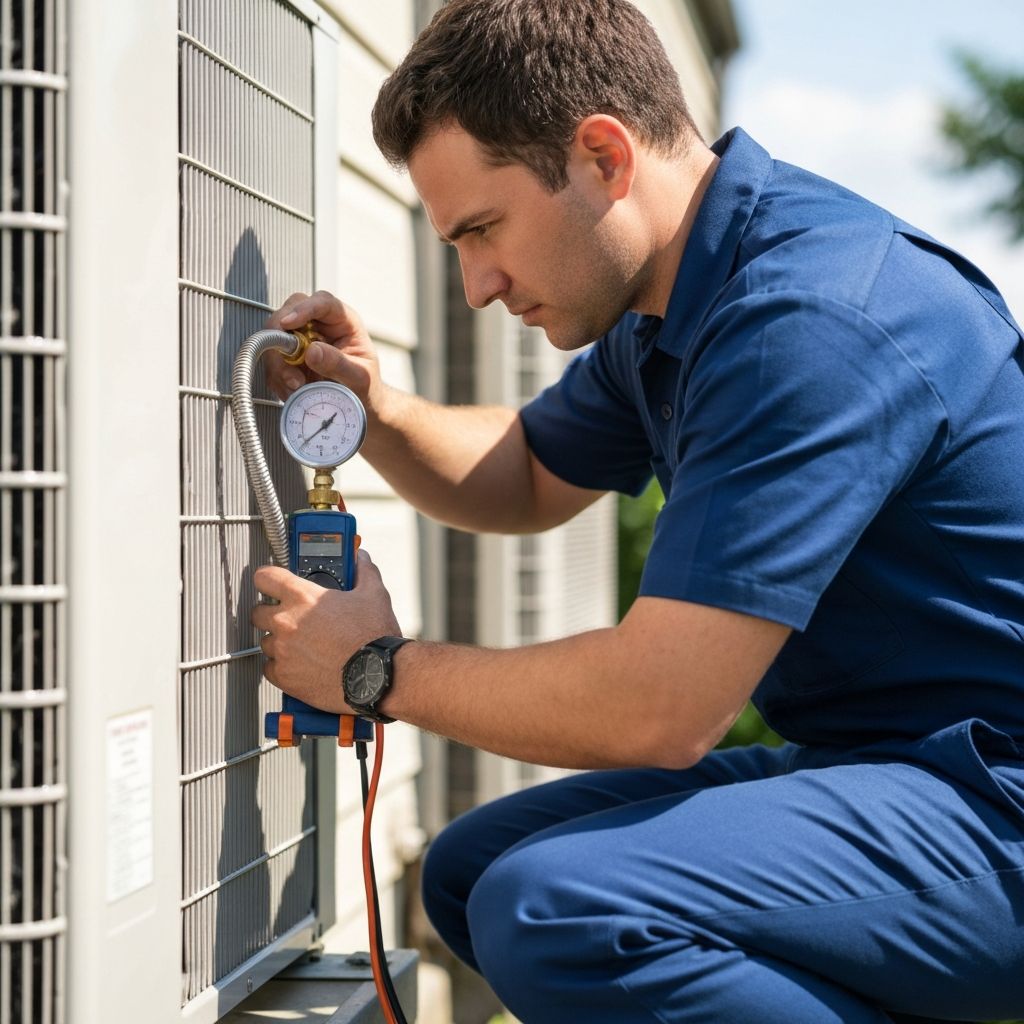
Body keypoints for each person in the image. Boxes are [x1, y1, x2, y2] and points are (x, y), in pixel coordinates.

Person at [251, 1, 1024, 1021]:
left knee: (558, 909)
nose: (476, 285)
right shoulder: (674, 301)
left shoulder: (809, 319)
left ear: (602, 155)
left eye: (483, 229)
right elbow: (522, 471)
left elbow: (660, 710)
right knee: (475, 868)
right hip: (889, 765)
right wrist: (376, 408)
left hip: (994, 797)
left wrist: (373, 670)